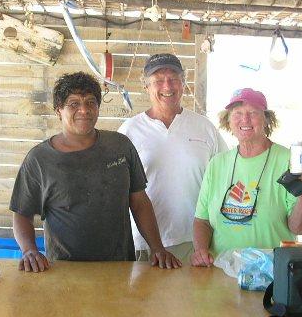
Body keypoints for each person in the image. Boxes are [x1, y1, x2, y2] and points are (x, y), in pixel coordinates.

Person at [10, 71, 181, 271]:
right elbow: (22, 214)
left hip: (119, 268)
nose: (84, 110)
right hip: (63, 271)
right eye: (73, 104)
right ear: (58, 110)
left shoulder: (120, 146)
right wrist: (29, 250)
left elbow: (139, 202)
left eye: (90, 102)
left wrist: (157, 247)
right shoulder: (39, 159)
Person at [118, 53, 227, 263]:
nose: (167, 86)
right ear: (146, 87)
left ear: (183, 84)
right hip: (144, 243)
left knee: (193, 296)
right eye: (158, 81)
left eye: (174, 79)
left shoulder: (205, 128)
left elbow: (225, 177)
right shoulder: (129, 131)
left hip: (195, 242)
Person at [192, 88, 302, 266]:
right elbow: (202, 220)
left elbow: (299, 227)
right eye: (237, 113)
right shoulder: (217, 164)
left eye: (253, 113)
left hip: (270, 272)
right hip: (222, 269)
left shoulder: (288, 161)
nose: (245, 120)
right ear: (228, 119)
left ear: (266, 119)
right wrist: (201, 251)